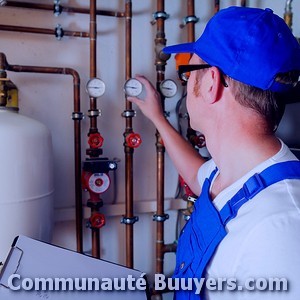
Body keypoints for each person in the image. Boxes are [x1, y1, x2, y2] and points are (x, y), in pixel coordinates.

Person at [129, 6, 300, 300]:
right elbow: (197, 175)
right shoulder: (234, 171)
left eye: (187, 74)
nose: (186, 86)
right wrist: (158, 117)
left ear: (210, 82)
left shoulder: (280, 229)